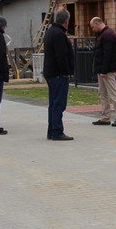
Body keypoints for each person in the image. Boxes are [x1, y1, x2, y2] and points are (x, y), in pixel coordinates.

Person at [43, 8, 74, 141]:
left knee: (53, 102)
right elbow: (61, 55)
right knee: (58, 103)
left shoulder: (50, 31)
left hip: (51, 72)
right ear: (66, 21)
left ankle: (52, 130)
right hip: (57, 74)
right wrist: (66, 72)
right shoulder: (59, 34)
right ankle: (56, 130)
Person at [89, 17, 116, 127]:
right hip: (102, 69)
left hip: (108, 70)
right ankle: (105, 117)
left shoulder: (107, 35)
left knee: (112, 93)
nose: (92, 29)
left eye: (93, 26)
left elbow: (107, 54)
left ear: (97, 23)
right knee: (103, 93)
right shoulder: (102, 34)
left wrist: (104, 70)